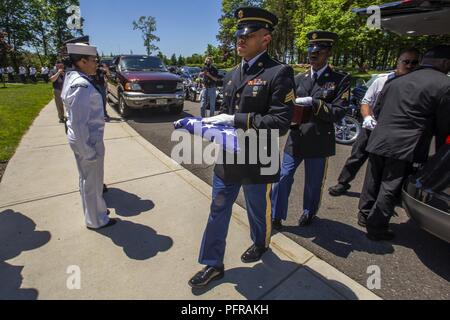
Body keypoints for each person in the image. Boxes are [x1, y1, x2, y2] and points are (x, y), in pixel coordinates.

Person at [188, 7, 295, 288]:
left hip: (260, 156)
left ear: (266, 39)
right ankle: (213, 264)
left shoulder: (278, 72)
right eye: (238, 34)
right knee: (218, 208)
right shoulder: (232, 74)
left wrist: (236, 119)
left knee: (257, 210)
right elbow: (224, 112)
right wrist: (211, 127)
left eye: (248, 35)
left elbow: (282, 121)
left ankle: (261, 243)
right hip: (229, 156)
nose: (240, 40)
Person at [359, 45, 450, 241]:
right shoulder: (444, 85)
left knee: (372, 180)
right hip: (406, 144)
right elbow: (444, 124)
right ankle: (376, 227)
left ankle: (364, 215)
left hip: (379, 138)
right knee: (390, 185)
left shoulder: (396, 80)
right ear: (444, 63)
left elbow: (379, 109)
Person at [271, 31, 351, 230]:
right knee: (283, 177)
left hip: (319, 139)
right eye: (311, 50)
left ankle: (309, 212)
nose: (313, 54)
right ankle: (275, 215)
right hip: (296, 137)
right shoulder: (299, 79)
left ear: (328, 53)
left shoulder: (340, 79)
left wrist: (314, 103)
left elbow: (339, 111)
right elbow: (287, 105)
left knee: (313, 183)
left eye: (319, 51)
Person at [328, 48, 421, 198]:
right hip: (372, 125)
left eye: (414, 62)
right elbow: (366, 102)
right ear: (398, 62)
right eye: (406, 61)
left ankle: (384, 195)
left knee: (384, 165)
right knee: (357, 156)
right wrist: (367, 118)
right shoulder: (382, 80)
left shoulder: (418, 85)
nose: (410, 65)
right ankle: (343, 182)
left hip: (396, 131)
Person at [61, 42, 116, 230]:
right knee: (92, 181)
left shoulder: (72, 77)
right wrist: (87, 150)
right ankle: (96, 220)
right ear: (82, 61)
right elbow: (78, 122)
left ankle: (96, 211)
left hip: (86, 139)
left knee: (88, 179)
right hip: (88, 140)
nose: (97, 64)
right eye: (93, 60)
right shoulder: (81, 85)